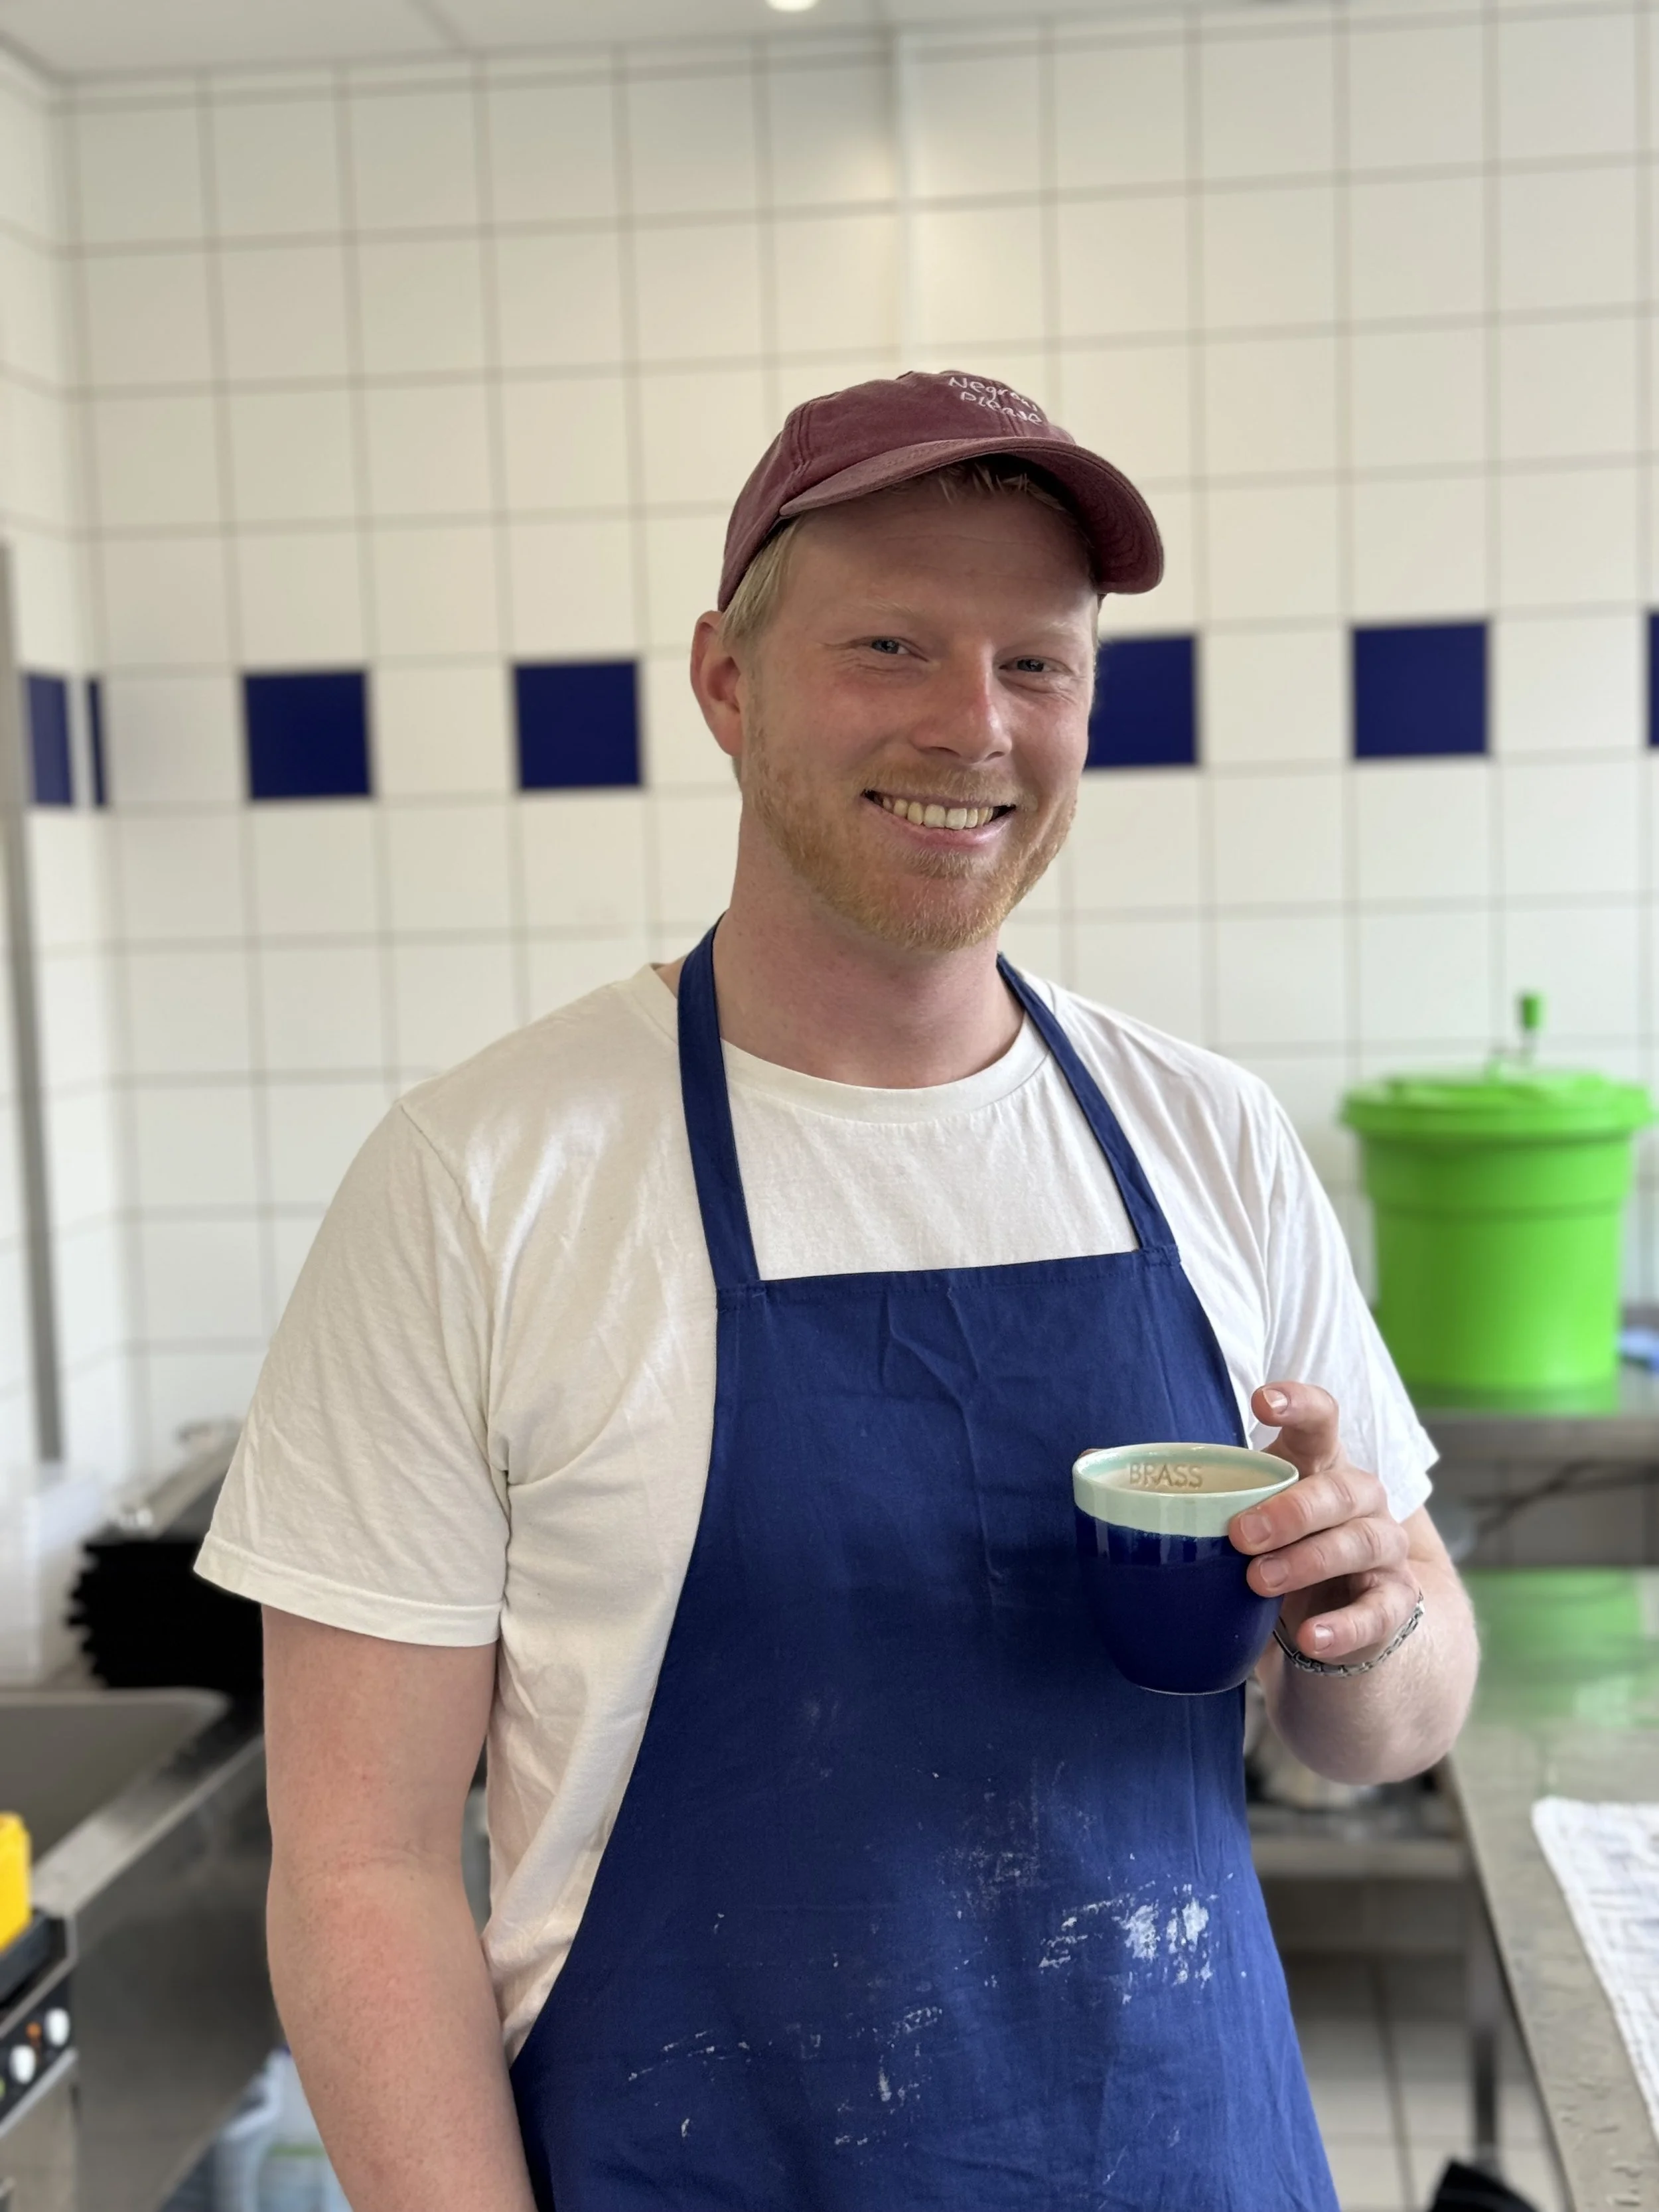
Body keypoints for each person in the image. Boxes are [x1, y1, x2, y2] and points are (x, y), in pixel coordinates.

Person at [198, 369, 1478, 2211]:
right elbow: (360, 1863)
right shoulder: (479, 1182)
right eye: (892, 643)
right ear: (726, 677)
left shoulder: (1205, 1136)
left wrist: (1365, 1623)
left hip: (1186, 2160)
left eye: (1035, 665)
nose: (973, 724)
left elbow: (1392, 1715)